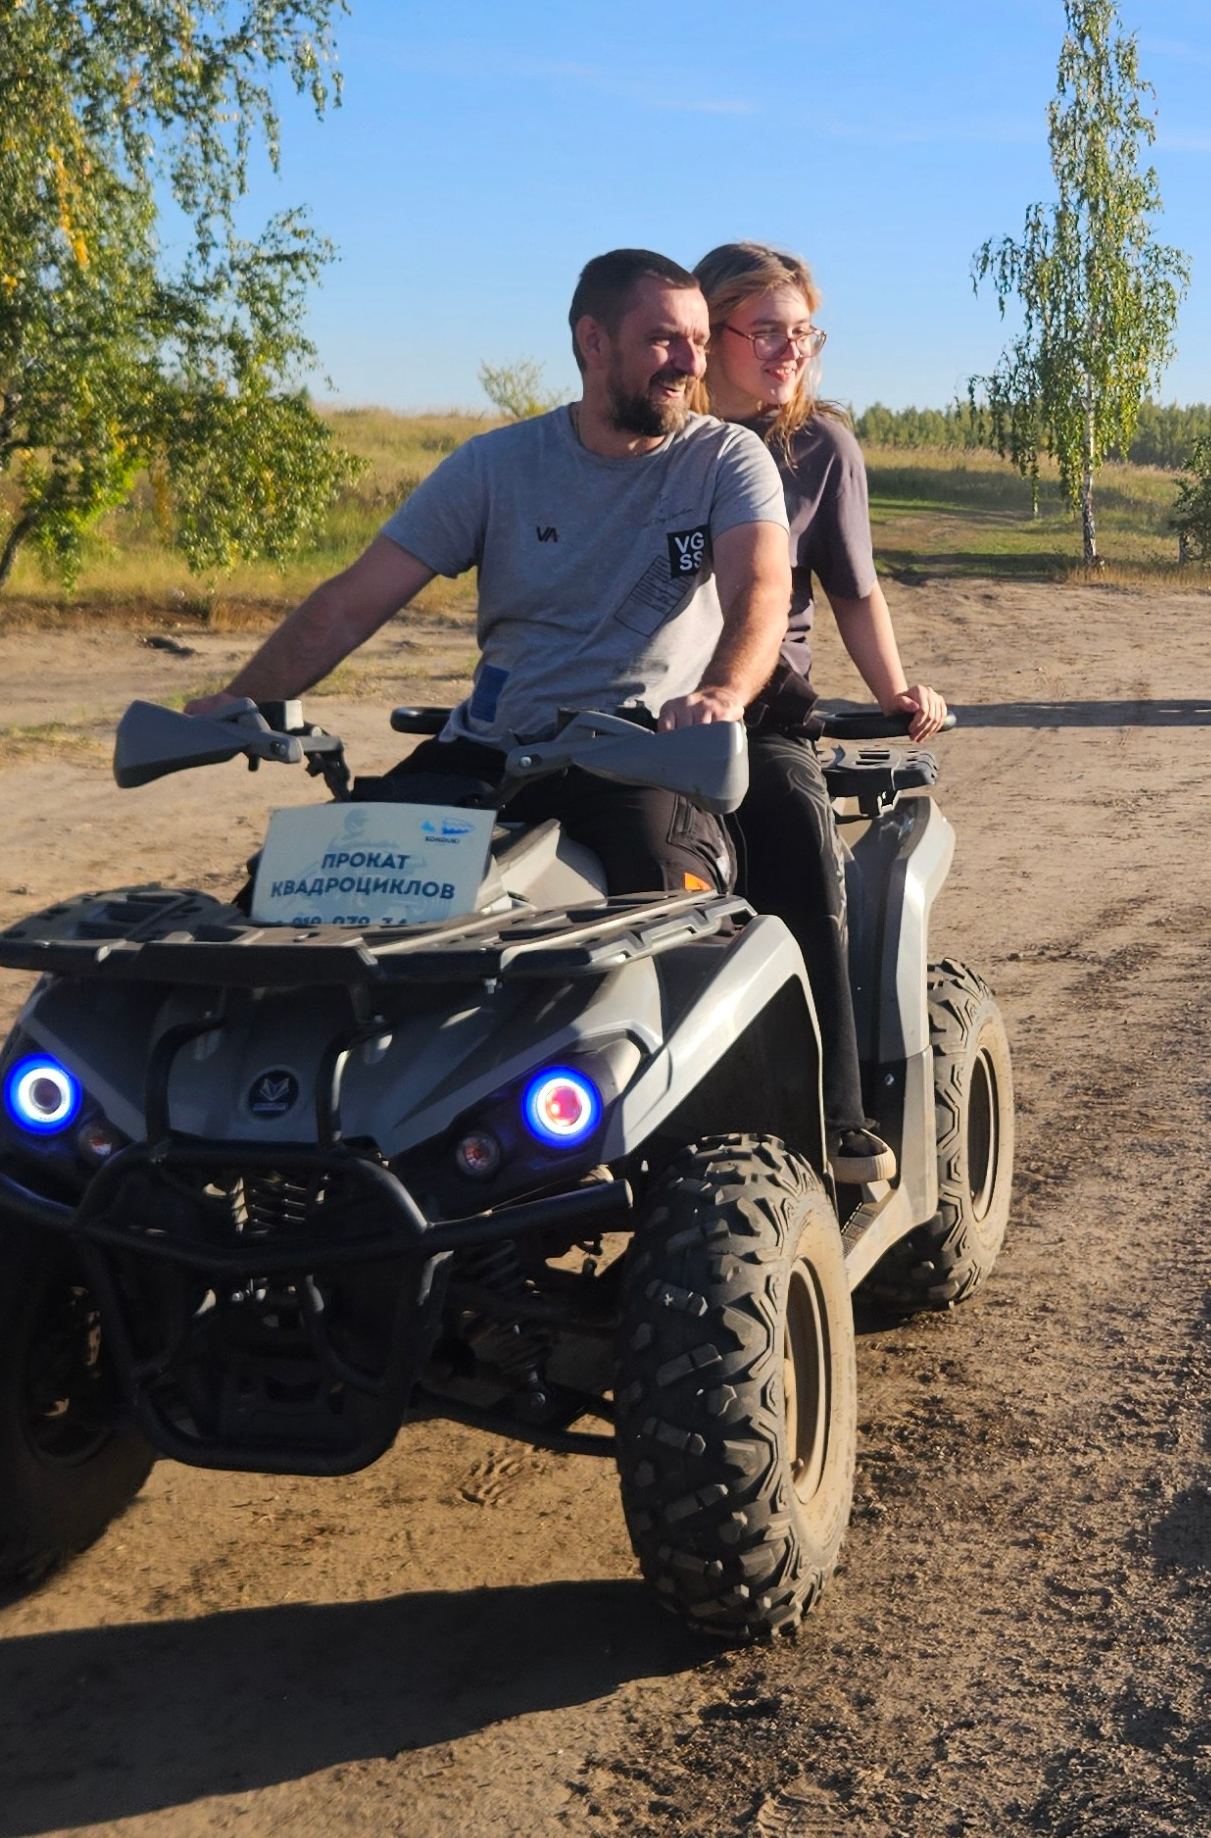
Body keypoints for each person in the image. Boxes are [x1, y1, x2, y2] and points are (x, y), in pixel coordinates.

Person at [182, 249, 791, 899]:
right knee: (295, 894)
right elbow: (351, 603)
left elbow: (759, 588)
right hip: (488, 755)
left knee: (665, 919)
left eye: (698, 342)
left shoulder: (724, 458)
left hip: (639, 758)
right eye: (664, 339)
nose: (691, 364)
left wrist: (723, 693)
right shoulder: (495, 466)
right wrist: (238, 701)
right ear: (594, 341)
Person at [693, 240, 947, 1198]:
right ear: (704, 332)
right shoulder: (656, 440)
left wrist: (895, 691)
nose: (789, 350)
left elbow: (853, 591)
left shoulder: (818, 447)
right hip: (637, 706)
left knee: (802, 849)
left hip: (760, 712)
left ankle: (838, 1118)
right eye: (767, 331)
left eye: (802, 332)